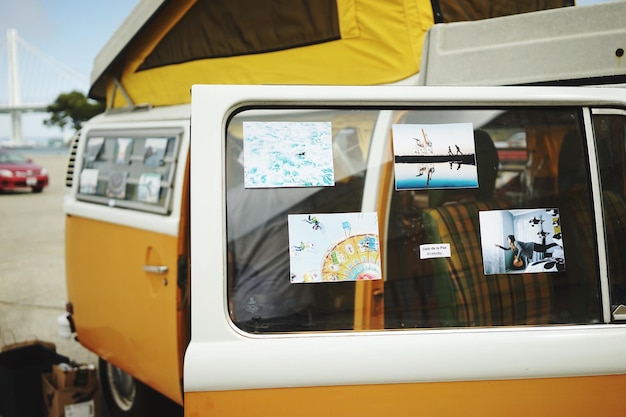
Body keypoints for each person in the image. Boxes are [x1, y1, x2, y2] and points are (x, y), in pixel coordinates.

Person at [495, 234, 560, 268]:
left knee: (545, 248)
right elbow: (506, 249)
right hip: (531, 248)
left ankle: (557, 243)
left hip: (532, 246)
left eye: (508, 239)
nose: (508, 240)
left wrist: (517, 258)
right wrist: (499, 246)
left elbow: (521, 249)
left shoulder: (516, 242)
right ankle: (557, 246)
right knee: (544, 249)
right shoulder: (513, 246)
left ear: (511, 239)